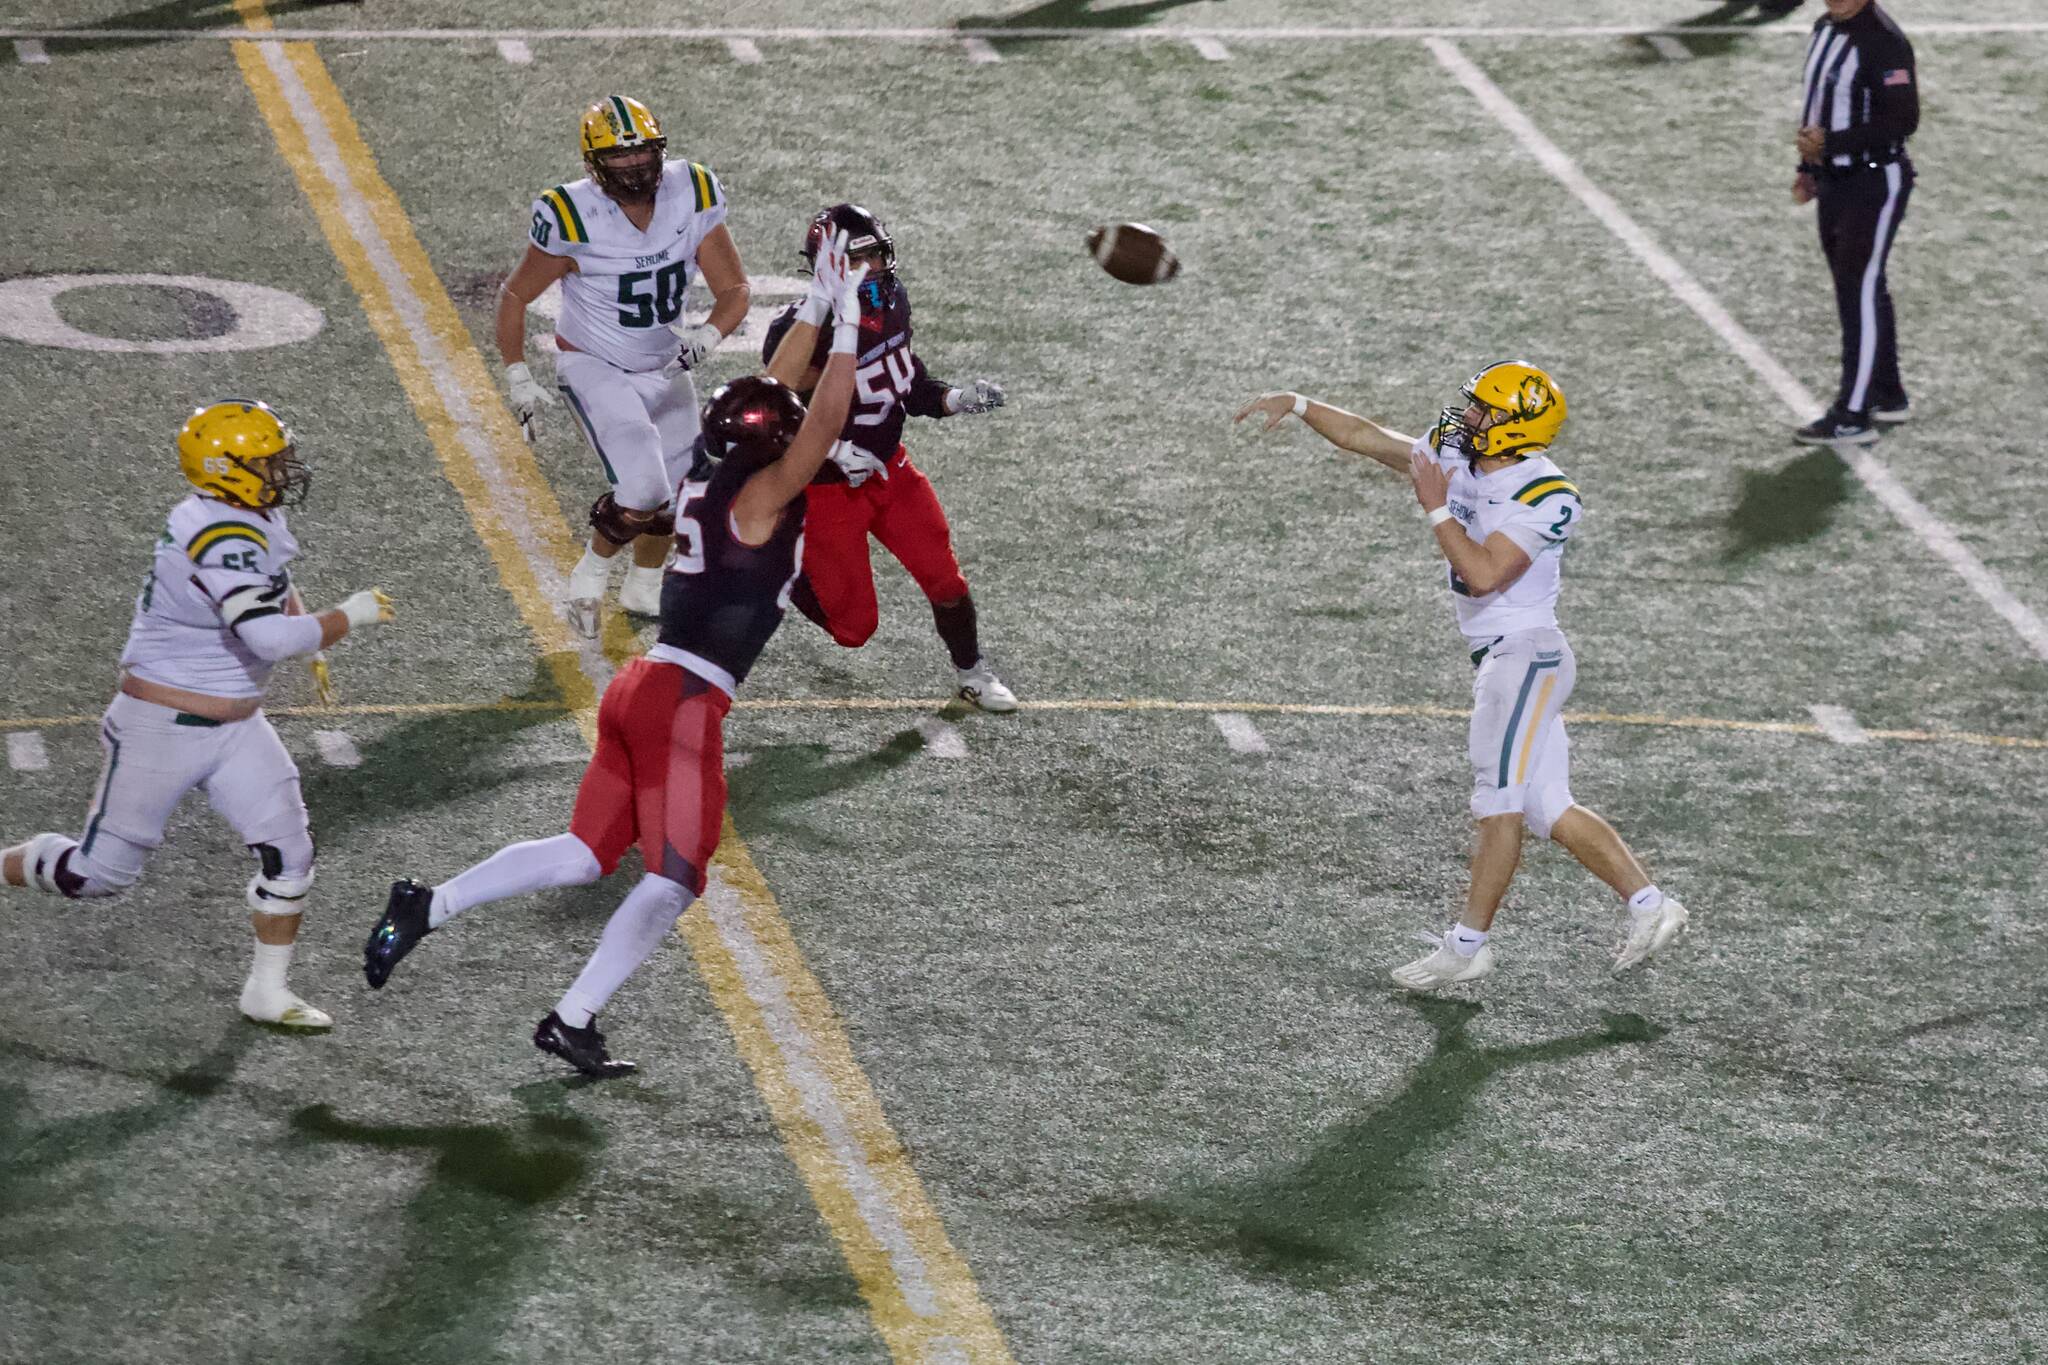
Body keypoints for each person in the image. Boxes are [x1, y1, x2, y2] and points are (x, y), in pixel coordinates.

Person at [362, 235, 867, 1077]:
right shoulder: (763, 493)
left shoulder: (708, 473)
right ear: (773, 452)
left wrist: (820, 297)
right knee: (673, 879)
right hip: (684, 702)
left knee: (588, 852)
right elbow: (821, 415)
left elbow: (780, 391)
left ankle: (430, 902)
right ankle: (573, 1015)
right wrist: (847, 312)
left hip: (642, 684)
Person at [1234, 363, 1689, 990]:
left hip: (1525, 654)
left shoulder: (1545, 494)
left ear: (1518, 428)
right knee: (1547, 805)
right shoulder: (1463, 456)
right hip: (1506, 657)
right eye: (1472, 405)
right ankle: (1651, 905)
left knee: (1497, 804)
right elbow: (1372, 439)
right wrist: (1303, 404)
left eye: (1484, 411)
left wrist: (1436, 510)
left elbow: (1484, 574)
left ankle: (1467, 946)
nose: (1468, 418)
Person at [1, 399, 395, 1028]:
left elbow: (272, 586)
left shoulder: (238, 515)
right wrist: (346, 618)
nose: (282, 468)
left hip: (238, 726)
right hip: (163, 727)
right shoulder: (223, 533)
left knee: (290, 855)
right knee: (95, 876)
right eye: (268, 459)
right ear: (226, 467)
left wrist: (308, 625)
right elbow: (265, 637)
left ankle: (265, 992)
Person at [496, 94, 753, 635]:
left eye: (642, 154)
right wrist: (517, 374)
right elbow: (516, 295)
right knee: (641, 486)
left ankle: (642, 586)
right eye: (619, 156)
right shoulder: (571, 213)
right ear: (593, 163)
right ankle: (587, 577)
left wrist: (709, 334)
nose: (634, 165)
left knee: (678, 491)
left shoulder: (693, 189)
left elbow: (734, 288)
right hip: (596, 364)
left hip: (664, 365)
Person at [762, 203, 1017, 712]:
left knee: (944, 577)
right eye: (859, 260)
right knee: (854, 629)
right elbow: (768, 415)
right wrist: (831, 449)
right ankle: (766, 562)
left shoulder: (892, 300)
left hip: (888, 469)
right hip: (825, 489)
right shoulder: (805, 331)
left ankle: (972, 671)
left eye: (878, 255)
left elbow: (906, 382)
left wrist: (956, 399)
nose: (875, 269)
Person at [1791, 0, 1917, 446]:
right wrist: (1808, 168)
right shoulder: (1825, 27)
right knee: (1858, 287)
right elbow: (1819, 106)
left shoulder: (1882, 41)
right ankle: (1887, 392)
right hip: (1836, 179)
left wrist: (1833, 143)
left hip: (1874, 181)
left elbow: (1904, 119)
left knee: (1859, 288)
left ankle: (1853, 412)